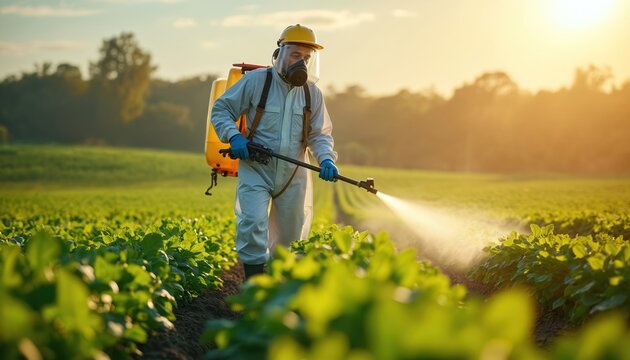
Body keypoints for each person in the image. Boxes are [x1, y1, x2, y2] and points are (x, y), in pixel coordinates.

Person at [211, 24, 338, 279]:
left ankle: (277, 292)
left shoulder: (312, 93)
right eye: (294, 55)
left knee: (290, 239)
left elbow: (319, 134)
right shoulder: (257, 81)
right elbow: (221, 110)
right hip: (256, 169)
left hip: (293, 174)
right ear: (279, 53)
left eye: (306, 58)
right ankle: (254, 286)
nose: (300, 63)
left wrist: (325, 158)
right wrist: (234, 136)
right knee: (252, 224)